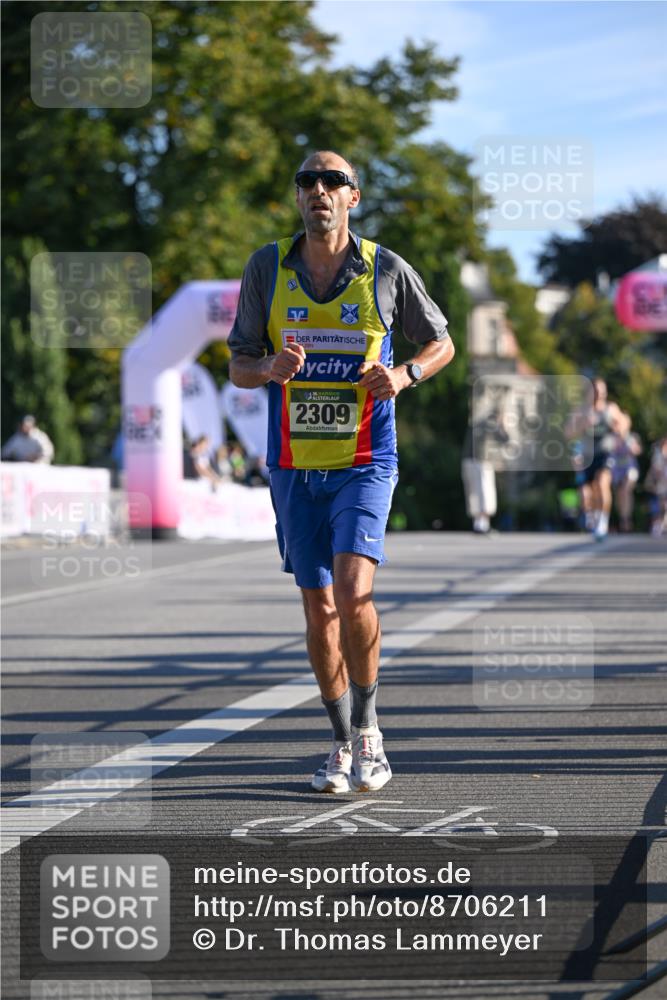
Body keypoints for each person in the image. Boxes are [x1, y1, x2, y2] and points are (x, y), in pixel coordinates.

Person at [228, 150, 454, 793]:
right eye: (308, 181)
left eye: (333, 181)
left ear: (353, 197)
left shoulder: (385, 268)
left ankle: (370, 729)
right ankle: (338, 741)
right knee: (319, 605)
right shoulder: (267, 266)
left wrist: (405, 373)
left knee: (354, 595)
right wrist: (268, 368)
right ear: (299, 196)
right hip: (294, 467)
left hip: (365, 461)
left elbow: (442, 342)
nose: (319, 190)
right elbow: (239, 364)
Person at [566, 378, 621, 541]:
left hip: (605, 453)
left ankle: (602, 522)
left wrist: (616, 426)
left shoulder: (610, 409)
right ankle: (592, 517)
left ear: (605, 392)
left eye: (601, 391)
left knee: (602, 483)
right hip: (587, 455)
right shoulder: (581, 410)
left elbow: (624, 425)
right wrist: (582, 424)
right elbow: (567, 433)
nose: (598, 394)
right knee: (586, 493)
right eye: (595, 391)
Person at [610, 410, 641, 533]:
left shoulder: (632, 437)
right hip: (617, 470)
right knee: (619, 496)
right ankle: (623, 518)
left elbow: (637, 450)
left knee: (626, 490)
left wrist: (631, 446)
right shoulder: (612, 437)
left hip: (630, 469)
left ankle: (626, 520)